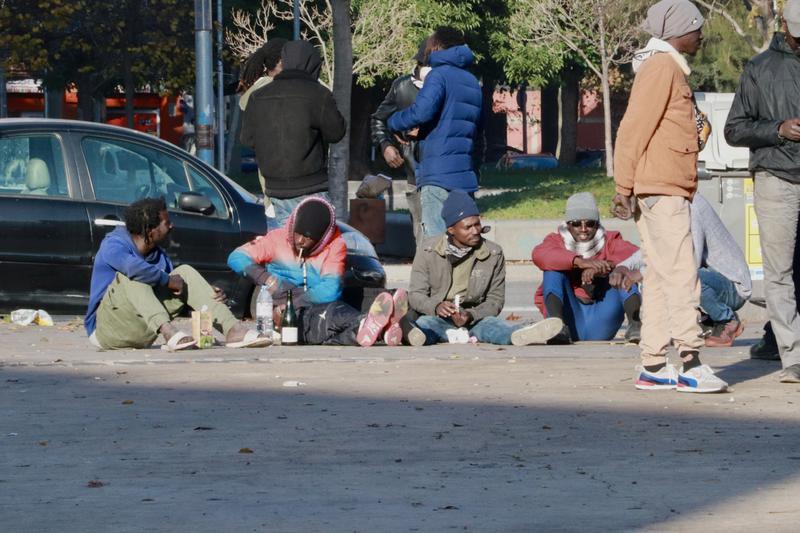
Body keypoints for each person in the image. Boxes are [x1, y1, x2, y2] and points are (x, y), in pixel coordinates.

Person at [613, 0, 727, 393]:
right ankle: (691, 362)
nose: (701, 35)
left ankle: (654, 364)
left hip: (663, 186)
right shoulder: (662, 67)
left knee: (660, 276)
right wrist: (622, 187)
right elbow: (633, 129)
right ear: (678, 30)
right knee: (682, 273)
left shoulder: (666, 66)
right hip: (661, 188)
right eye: (696, 28)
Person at [723, 0, 800, 382]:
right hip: (777, 178)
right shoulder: (759, 69)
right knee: (779, 271)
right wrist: (777, 129)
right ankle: (792, 356)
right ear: (784, 24)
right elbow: (734, 129)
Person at [85, 198, 270, 351]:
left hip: (142, 331)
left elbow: (169, 298)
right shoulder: (114, 244)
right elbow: (134, 269)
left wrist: (207, 296)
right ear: (150, 229)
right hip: (106, 330)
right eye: (166, 223)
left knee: (184, 273)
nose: (172, 226)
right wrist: (166, 280)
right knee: (135, 274)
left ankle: (233, 329)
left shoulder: (160, 257)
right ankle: (169, 333)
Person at [227, 196, 407, 346]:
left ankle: (389, 324)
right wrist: (266, 279)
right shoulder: (277, 239)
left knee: (370, 296)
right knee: (333, 314)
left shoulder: (335, 245)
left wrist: (293, 302)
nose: (300, 241)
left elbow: (330, 289)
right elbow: (236, 257)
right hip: (292, 316)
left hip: (311, 301)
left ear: (322, 238)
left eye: (308, 238)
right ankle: (367, 324)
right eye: (297, 233)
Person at [407, 190, 563, 346]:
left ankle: (521, 333)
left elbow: (495, 300)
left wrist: (471, 314)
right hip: (439, 318)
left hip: (476, 318)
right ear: (451, 230)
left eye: (477, 224)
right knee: (426, 325)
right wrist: (436, 306)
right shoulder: (428, 250)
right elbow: (416, 294)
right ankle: (414, 335)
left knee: (495, 329)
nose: (475, 231)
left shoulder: (493, 253)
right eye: (468, 227)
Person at [614, 194, 753, 348]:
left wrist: (642, 273)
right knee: (659, 278)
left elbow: (689, 260)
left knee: (683, 276)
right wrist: (624, 266)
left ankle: (727, 320)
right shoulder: (665, 206)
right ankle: (705, 323)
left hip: (732, 286)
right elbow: (653, 248)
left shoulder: (689, 205)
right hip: (710, 280)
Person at [240, 40, 346, 231]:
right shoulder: (318, 94)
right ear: (313, 64)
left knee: (283, 250)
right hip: (312, 187)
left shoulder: (258, 96)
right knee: (316, 251)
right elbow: (337, 132)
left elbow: (247, 139)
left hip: (274, 190)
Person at [387, 27, 482, 238]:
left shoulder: (438, 75)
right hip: (464, 176)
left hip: (437, 174)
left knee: (435, 247)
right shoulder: (472, 81)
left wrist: (393, 122)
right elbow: (469, 128)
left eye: (429, 45)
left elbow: (421, 111)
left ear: (437, 46)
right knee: (463, 244)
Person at [532, 192, 641, 344]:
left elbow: (638, 256)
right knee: (552, 271)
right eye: (576, 223)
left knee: (622, 272)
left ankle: (635, 325)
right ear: (568, 224)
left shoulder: (610, 240)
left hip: (602, 318)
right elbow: (539, 255)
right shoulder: (556, 240)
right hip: (571, 317)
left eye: (590, 223)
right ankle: (556, 326)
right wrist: (580, 262)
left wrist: (607, 267)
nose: (583, 229)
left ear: (597, 224)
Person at [370, 39, 430, 244]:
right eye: (426, 64)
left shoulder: (448, 85)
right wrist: (385, 146)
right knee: (421, 233)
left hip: (445, 171)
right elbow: (378, 119)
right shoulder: (401, 86)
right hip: (415, 170)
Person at [237, 38, 287, 217]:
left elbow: (243, 104)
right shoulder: (291, 86)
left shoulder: (259, 87)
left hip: (269, 183)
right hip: (294, 185)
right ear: (282, 61)